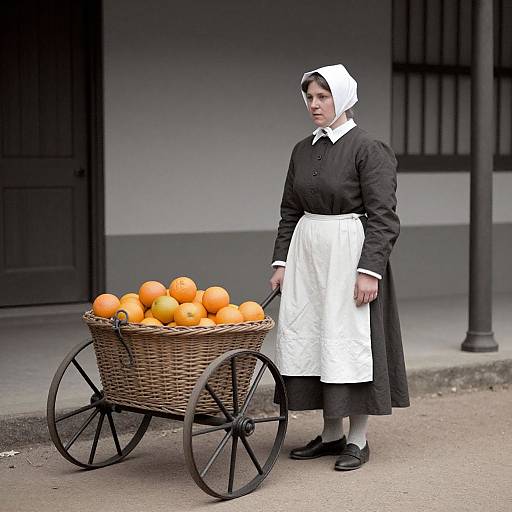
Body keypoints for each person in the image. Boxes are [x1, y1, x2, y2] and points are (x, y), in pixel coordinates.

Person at [270, 64, 410, 471]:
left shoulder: (369, 149)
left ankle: (358, 438)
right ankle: (331, 435)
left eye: (323, 97)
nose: (314, 105)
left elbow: (384, 217)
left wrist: (370, 269)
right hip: (308, 258)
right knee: (317, 338)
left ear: (343, 98)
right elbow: (289, 211)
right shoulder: (302, 149)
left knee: (349, 341)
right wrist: (281, 261)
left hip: (350, 255)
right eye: (310, 97)